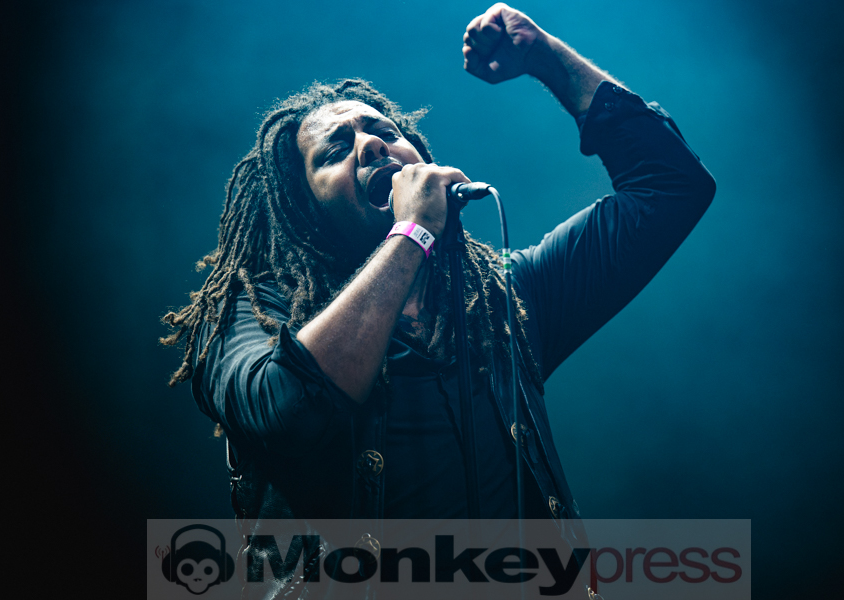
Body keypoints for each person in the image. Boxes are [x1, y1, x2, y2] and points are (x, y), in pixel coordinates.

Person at [161, 3, 715, 596]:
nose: (372, 146)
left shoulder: (505, 302)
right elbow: (292, 411)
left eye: (386, 132)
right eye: (335, 150)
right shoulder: (249, 315)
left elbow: (671, 187)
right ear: (302, 208)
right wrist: (412, 234)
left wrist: (547, 59)